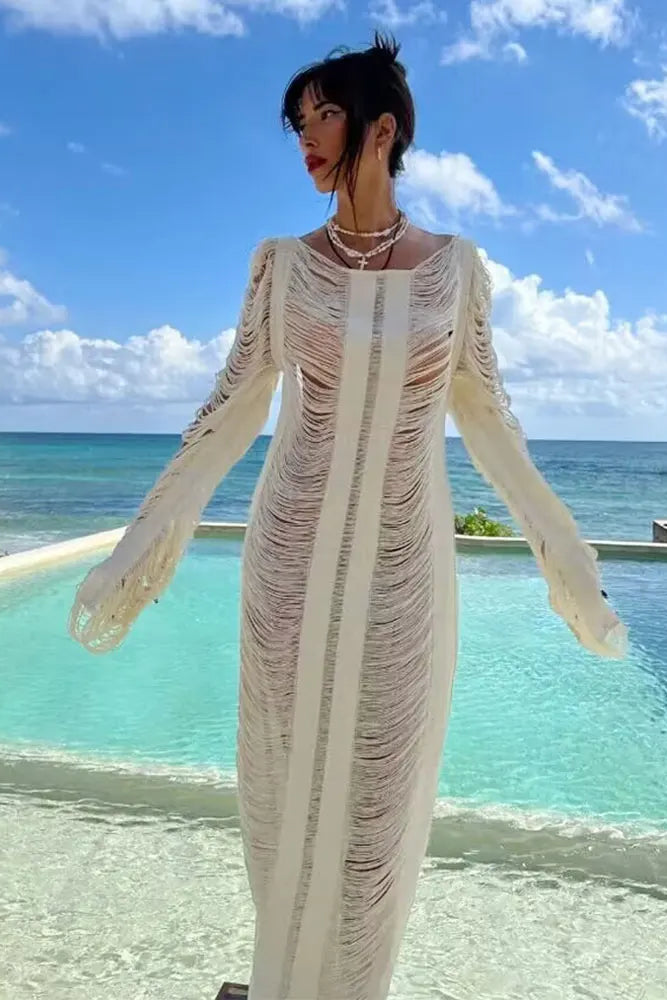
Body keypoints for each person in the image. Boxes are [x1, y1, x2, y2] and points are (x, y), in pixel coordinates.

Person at [69, 32, 627, 1000]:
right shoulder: (283, 267)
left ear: (383, 128)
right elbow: (227, 413)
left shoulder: (456, 270)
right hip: (287, 564)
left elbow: (489, 423)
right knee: (282, 796)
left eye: (323, 114)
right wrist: (138, 549)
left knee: (377, 809)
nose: (305, 137)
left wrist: (568, 565)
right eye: (298, 121)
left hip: (405, 577)